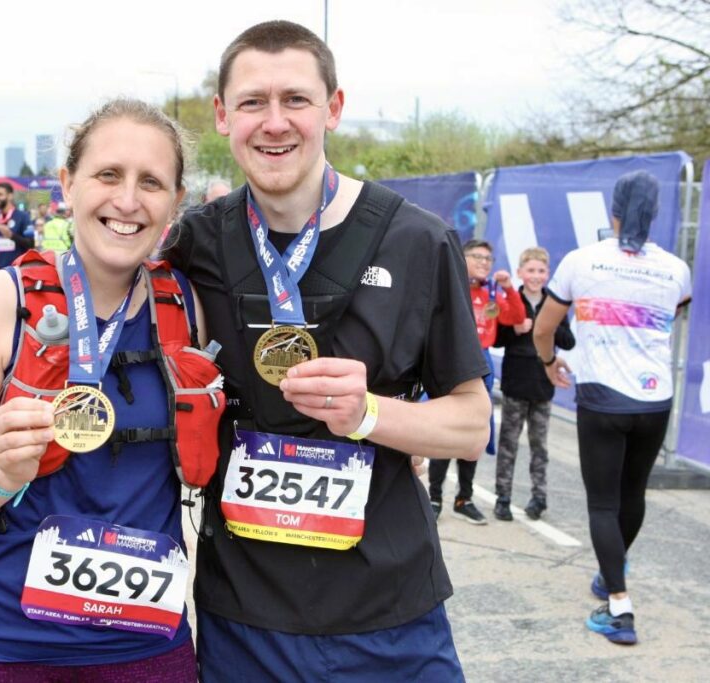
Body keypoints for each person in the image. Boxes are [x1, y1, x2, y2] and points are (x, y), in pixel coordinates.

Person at [165, 21, 490, 682]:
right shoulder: (194, 244)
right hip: (244, 620)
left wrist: (369, 413)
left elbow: (471, 424)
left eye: (296, 99)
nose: (274, 122)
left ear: (333, 108)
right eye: (253, 102)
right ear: (223, 116)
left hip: (390, 614)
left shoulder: (417, 240)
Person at [0, 99, 208, 681]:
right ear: (68, 184)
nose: (127, 200)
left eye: (151, 182)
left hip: (141, 646)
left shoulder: (185, 305)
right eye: (108, 174)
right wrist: (0, 473)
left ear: (175, 202)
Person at [534, 170, 691, 646]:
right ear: (656, 213)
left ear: (613, 211)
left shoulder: (582, 261)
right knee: (632, 493)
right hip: (655, 398)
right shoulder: (676, 269)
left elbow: (544, 329)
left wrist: (549, 363)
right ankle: (610, 573)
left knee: (603, 503)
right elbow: (672, 314)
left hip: (602, 397)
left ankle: (620, 607)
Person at [428, 239, 525, 524]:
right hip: (451, 363)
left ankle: (464, 499)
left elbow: (517, 317)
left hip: (481, 365)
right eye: (477, 257)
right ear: (463, 258)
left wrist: (508, 288)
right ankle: (434, 498)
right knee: (445, 433)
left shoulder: (492, 292)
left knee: (475, 434)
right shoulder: (453, 288)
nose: (484, 263)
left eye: (488, 259)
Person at [492, 246, 575, 521]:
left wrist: (547, 326)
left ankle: (539, 497)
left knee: (539, 445)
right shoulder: (511, 299)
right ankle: (503, 497)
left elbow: (569, 341)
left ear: (548, 274)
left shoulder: (555, 304)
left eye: (541, 270)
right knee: (508, 443)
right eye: (531, 270)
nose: (536, 276)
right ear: (520, 272)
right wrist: (513, 330)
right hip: (515, 383)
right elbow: (497, 339)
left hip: (542, 385)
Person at [0, 182, 33, 268]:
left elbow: (31, 244)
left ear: (10, 196)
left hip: (17, 269)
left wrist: (11, 236)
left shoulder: (23, 216)